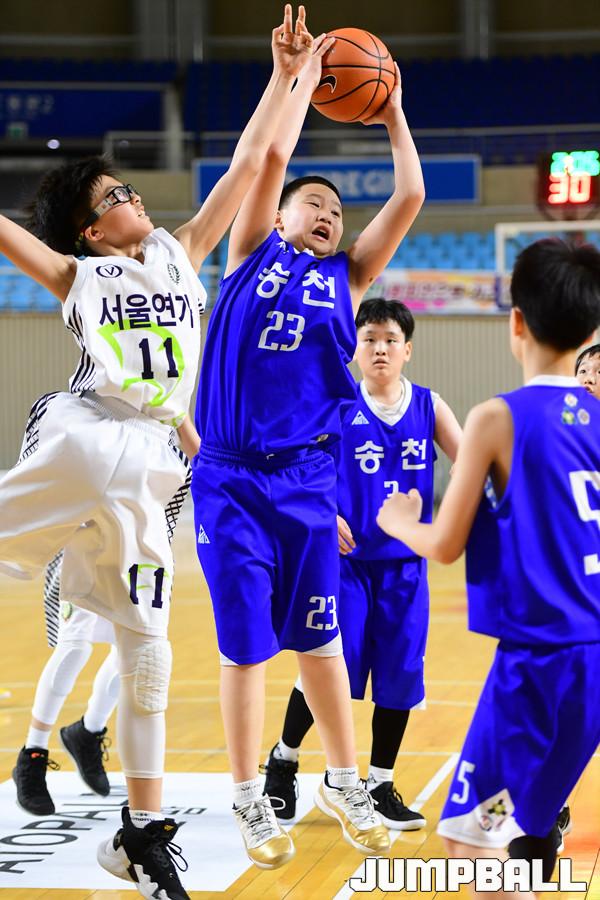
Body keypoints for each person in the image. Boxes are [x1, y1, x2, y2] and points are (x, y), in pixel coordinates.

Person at [0, 8, 313, 898]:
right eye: (111, 199)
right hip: (83, 432)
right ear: (90, 232)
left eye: (127, 189)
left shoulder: (182, 253)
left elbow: (254, 161)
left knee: (148, 654)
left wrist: (284, 76)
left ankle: (138, 834)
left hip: (154, 462)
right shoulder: (77, 274)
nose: (130, 199)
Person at [191, 26, 425, 870]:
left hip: (304, 481)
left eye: (336, 211)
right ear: (282, 215)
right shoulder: (247, 254)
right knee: (247, 647)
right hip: (229, 479)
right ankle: (248, 795)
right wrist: (295, 79)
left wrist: (392, 115)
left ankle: (346, 781)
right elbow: (267, 158)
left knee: (322, 643)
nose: (326, 214)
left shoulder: (347, 279)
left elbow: (409, 197)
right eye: (312, 204)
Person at [377, 238, 600, 898]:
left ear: (516, 321)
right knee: (515, 821)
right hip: (592, 671)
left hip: (538, 668)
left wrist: (398, 522)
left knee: (470, 838)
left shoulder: (496, 417)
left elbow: (445, 543)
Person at [263, 296, 462, 829]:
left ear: (407, 350)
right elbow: (293, 468)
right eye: (369, 339)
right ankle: (283, 759)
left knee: (401, 672)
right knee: (329, 664)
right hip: (344, 565)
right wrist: (324, 513)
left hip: (406, 567)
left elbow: (471, 464)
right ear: (353, 347)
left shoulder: (430, 405)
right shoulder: (333, 403)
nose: (379, 349)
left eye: (390, 340)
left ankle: (379, 783)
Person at [13, 451, 191, 817]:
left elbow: (187, 467)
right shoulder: (77, 422)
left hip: (138, 541)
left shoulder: (165, 428)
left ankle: (88, 731)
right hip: (80, 533)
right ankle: (33, 753)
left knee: (136, 648)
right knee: (74, 646)